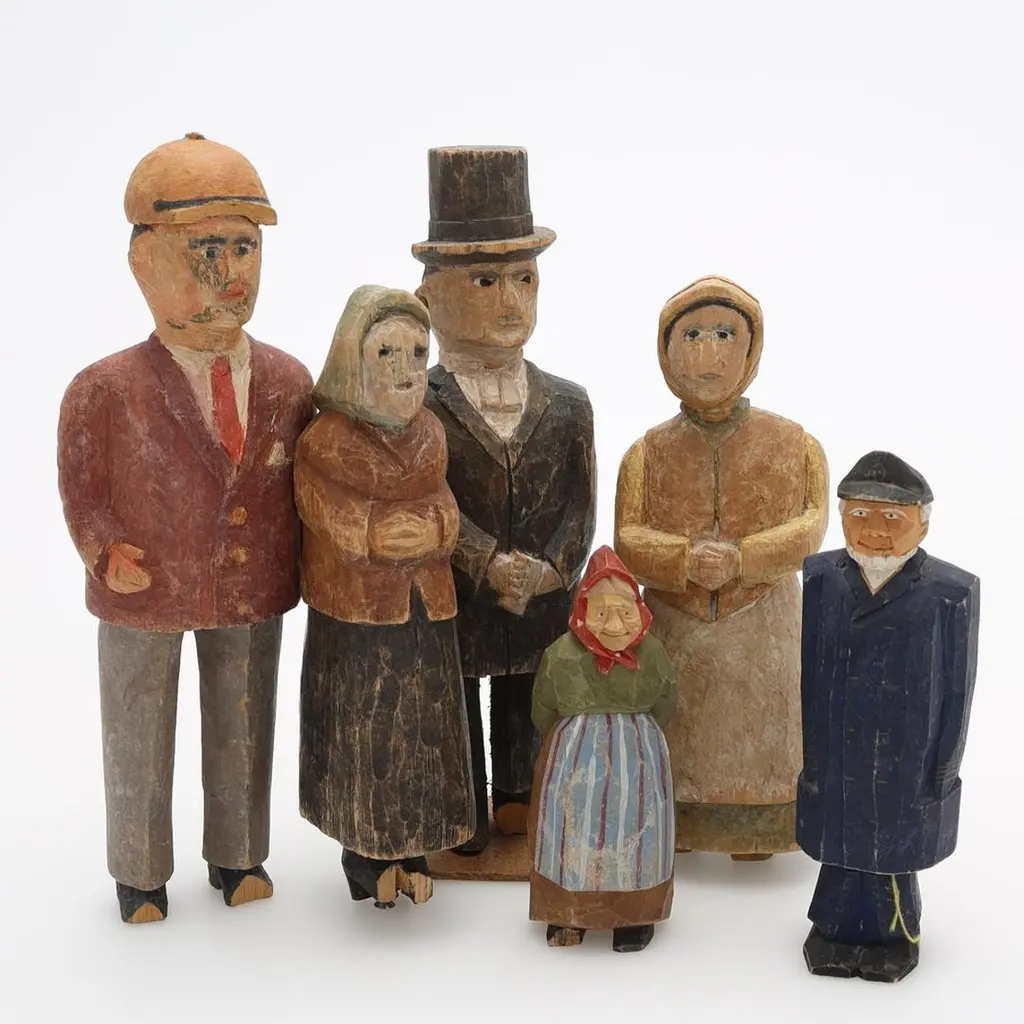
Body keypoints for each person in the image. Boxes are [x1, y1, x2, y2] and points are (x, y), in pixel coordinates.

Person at [57, 133, 313, 923]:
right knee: (138, 724)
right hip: (146, 587)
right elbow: (81, 486)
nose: (231, 273)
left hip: (252, 584)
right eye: (205, 250)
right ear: (144, 263)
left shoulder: (288, 380)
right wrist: (102, 548)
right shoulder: (105, 388)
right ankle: (140, 872)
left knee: (244, 719)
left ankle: (239, 856)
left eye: (245, 248)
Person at [414, 146, 597, 856]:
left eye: (525, 279)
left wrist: (554, 568)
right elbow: (424, 497)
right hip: (459, 597)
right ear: (429, 296)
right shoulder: (416, 405)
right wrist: (485, 561)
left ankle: (521, 795)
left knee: (531, 697)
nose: (511, 301)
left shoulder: (570, 405)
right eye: (484, 281)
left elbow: (581, 506)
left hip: (544, 599)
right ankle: (463, 805)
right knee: (458, 695)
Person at [615, 275, 828, 858]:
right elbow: (627, 538)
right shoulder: (645, 453)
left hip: (763, 625)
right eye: (691, 335)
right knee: (678, 728)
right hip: (675, 624)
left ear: (752, 348)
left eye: (725, 334)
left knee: (763, 730)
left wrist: (745, 558)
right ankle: (677, 824)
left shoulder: (795, 444)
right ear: (665, 350)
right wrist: (682, 558)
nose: (708, 354)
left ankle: (764, 825)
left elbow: (812, 527)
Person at [296, 285, 475, 908]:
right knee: (366, 734)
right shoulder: (325, 440)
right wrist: (372, 530)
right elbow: (319, 508)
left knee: (424, 733)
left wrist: (439, 527)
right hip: (358, 619)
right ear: (354, 360)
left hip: (427, 610)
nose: (406, 370)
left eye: (418, 353)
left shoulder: (430, 433)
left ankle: (415, 846)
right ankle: (366, 854)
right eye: (387, 353)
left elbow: (446, 503)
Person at [797, 451, 980, 982]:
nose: (874, 530)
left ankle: (893, 937)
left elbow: (959, 689)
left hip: (908, 758)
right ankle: (832, 930)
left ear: (923, 523)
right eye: (859, 514)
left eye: (892, 518)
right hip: (837, 750)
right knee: (840, 846)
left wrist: (945, 768)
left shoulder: (950, 593)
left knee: (892, 852)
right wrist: (811, 758)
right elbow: (809, 674)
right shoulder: (822, 579)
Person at [528, 546, 676, 953]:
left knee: (640, 836)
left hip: (639, 764)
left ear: (641, 612)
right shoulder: (562, 654)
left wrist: (639, 741)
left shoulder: (652, 654)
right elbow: (544, 707)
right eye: (602, 613)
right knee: (569, 834)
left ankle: (634, 915)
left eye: (625, 613)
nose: (614, 625)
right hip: (574, 764)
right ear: (582, 610)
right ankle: (567, 911)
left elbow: (666, 701)